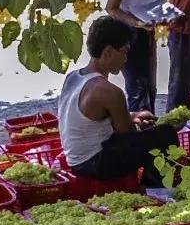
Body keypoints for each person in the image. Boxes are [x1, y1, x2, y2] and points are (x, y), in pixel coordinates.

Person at [59, 17, 177, 188]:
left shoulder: (73, 77)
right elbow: (127, 133)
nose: (126, 59)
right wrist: (146, 126)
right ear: (108, 52)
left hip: (76, 158)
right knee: (165, 135)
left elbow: (93, 120)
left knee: (152, 131)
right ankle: (156, 190)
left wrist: (134, 115)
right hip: (93, 163)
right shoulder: (109, 92)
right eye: (125, 51)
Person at [105, 0, 174, 113]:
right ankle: (137, 125)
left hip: (146, 27)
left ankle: (149, 122)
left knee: (149, 83)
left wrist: (163, 15)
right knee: (136, 84)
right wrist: (136, 23)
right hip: (125, 30)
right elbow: (111, 8)